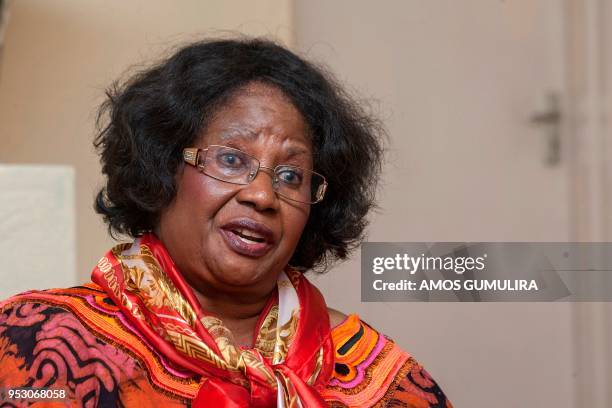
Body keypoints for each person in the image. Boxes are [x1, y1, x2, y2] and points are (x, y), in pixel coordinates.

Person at [0, 38, 452, 407]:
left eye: (290, 175)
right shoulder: (36, 341)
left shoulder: (385, 383)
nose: (261, 195)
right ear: (162, 168)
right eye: (232, 159)